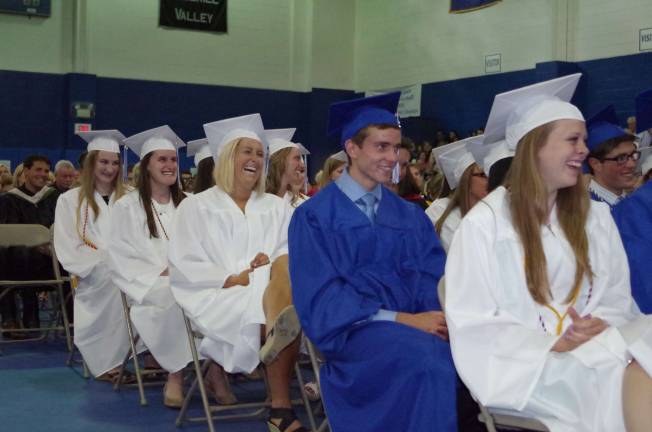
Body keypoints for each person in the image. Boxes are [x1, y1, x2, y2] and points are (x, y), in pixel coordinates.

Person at [446, 73, 652, 432]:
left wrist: (596, 324)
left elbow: (616, 294)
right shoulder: (485, 225)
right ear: (535, 147)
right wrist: (554, 342)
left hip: (596, 343)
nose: (584, 150)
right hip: (526, 367)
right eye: (573, 139)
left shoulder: (594, 216)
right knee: (628, 371)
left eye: (584, 140)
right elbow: (474, 322)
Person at [289, 92, 457, 432]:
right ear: (352, 148)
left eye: (395, 148)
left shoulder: (410, 216)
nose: (392, 158)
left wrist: (437, 319)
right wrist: (404, 319)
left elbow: (431, 277)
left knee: (466, 356)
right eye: (381, 147)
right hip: (350, 333)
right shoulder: (314, 217)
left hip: (416, 328)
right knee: (429, 360)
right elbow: (323, 298)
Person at [169, 114, 306, 432]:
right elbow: (185, 262)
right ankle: (281, 404)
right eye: (247, 151)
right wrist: (234, 277)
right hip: (218, 294)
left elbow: (289, 250)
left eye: (260, 154)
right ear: (228, 157)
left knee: (281, 268)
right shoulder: (196, 206)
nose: (256, 160)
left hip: (271, 289)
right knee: (282, 299)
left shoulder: (275, 205)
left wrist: (267, 265)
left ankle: (277, 330)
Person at [109, 125, 199, 407]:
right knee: (176, 297)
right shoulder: (127, 207)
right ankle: (176, 376)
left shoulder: (191, 204)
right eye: (162, 159)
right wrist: (160, 273)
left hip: (193, 279)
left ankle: (215, 370)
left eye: (173, 159)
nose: (170, 165)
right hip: (151, 287)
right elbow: (120, 256)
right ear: (146, 165)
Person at [53, 130, 131, 379]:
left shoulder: (131, 198)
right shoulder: (69, 200)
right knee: (113, 280)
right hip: (93, 271)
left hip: (131, 267)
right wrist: (107, 260)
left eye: (115, 163)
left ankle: (153, 354)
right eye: (104, 162)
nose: (110, 168)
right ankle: (108, 361)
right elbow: (68, 243)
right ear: (91, 163)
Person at [0, 155, 59, 336]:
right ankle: (12, 318)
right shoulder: (9, 200)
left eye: (46, 171)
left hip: (49, 262)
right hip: (16, 261)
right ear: (26, 171)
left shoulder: (55, 198)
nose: (42, 174)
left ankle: (27, 315)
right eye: (38, 170)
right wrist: (34, 244)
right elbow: (8, 235)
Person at [427, 136, 488, 252]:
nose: (490, 180)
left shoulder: (490, 209)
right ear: (465, 180)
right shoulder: (439, 211)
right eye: (483, 175)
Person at [585, 107, 639, 208]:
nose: (632, 164)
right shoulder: (586, 212)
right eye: (621, 158)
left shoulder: (637, 201)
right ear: (596, 164)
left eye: (633, 155)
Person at [265, 128, 310, 209]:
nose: (303, 166)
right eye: (297, 158)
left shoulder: (305, 205)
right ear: (280, 162)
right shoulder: (255, 203)